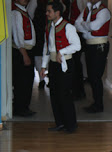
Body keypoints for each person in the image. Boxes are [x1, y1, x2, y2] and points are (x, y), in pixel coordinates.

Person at [39, 0, 81, 133]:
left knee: (64, 95)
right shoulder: (49, 26)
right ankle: (60, 123)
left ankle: (71, 125)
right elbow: (47, 48)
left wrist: (61, 52)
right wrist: (44, 66)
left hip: (65, 65)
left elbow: (77, 45)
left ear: (57, 12)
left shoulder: (68, 27)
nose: (47, 13)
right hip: (53, 65)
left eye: (49, 11)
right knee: (54, 94)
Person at [75, 0, 110, 113]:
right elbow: (76, 23)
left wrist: (85, 24)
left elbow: (94, 26)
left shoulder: (104, 11)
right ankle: (96, 103)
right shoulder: (87, 9)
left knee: (95, 77)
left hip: (99, 46)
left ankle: (99, 105)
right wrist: (88, 26)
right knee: (91, 76)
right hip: (89, 45)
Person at [11, 0, 37, 117]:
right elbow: (18, 35)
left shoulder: (24, 12)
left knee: (27, 80)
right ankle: (20, 108)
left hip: (27, 50)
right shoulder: (16, 13)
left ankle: (24, 106)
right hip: (22, 51)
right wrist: (24, 54)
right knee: (22, 81)